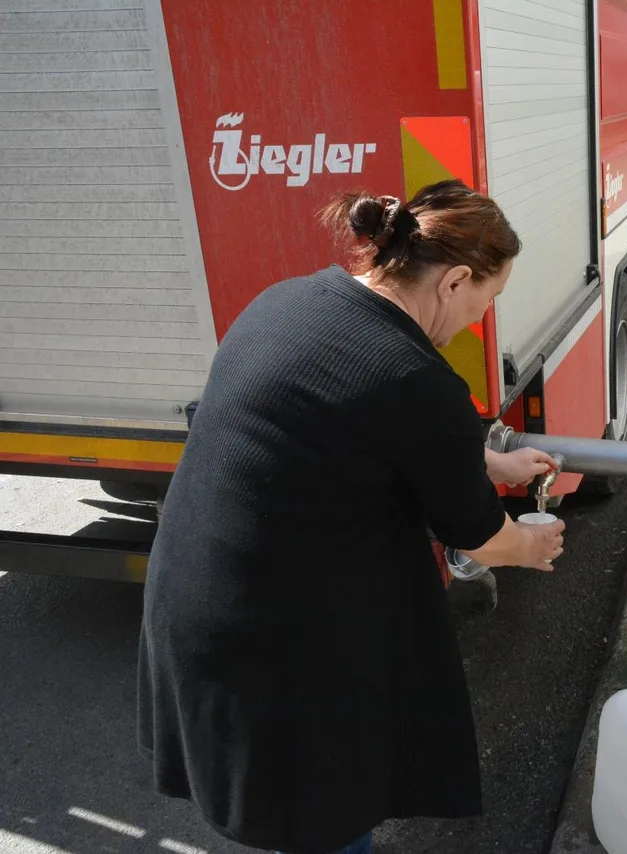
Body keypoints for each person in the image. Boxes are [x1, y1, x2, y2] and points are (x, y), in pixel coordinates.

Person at [137, 180, 566, 854]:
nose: (481, 318)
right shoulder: (418, 381)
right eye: (489, 298)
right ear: (455, 281)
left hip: (194, 600)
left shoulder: (290, 300)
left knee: (297, 820)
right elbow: (481, 535)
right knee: (324, 823)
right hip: (280, 650)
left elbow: (351, 423)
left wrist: (487, 461)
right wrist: (532, 546)